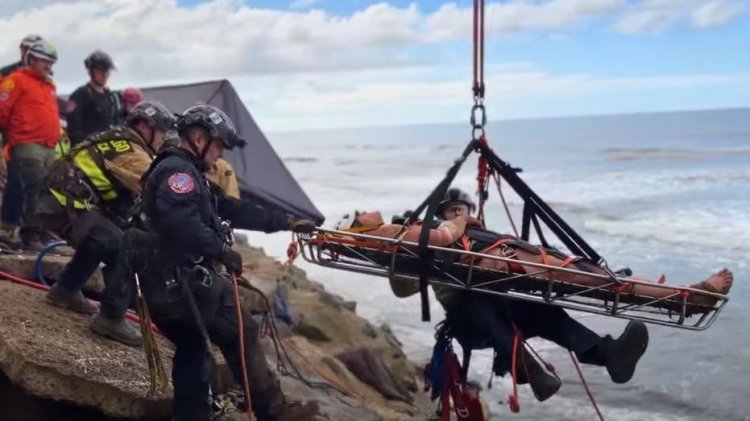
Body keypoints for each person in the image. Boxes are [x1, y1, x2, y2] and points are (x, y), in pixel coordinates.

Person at [335, 189, 733, 401]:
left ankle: (609, 356)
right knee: (478, 302)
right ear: (359, 227)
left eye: (461, 209)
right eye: (360, 213)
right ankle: (530, 369)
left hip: (494, 302)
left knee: (545, 312)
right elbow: (419, 267)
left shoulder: (440, 236)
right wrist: (439, 238)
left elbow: (449, 242)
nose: (368, 209)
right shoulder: (401, 235)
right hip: (469, 320)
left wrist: (465, 233)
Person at [135, 104, 317, 420]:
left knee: (193, 348)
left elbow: (235, 209)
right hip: (178, 284)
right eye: (218, 145)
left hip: (164, 284)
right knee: (242, 330)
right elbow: (180, 222)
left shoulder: (189, 173)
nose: (220, 154)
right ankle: (273, 412)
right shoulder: (178, 173)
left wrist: (287, 221)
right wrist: (221, 251)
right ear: (197, 137)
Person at [37, 101, 176, 347]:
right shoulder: (131, 151)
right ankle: (111, 317)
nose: (163, 139)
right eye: (162, 132)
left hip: (57, 201)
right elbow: (156, 189)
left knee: (107, 235)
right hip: (66, 203)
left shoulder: (117, 139)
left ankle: (66, 290)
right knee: (123, 243)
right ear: (145, 126)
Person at [0, 39, 60, 250]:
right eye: (45, 61)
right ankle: (30, 235)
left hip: (49, 145)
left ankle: (41, 232)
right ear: (31, 59)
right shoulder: (15, 80)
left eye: (51, 63)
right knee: (34, 187)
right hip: (26, 143)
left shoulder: (49, 86)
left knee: (49, 188)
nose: (49, 67)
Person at [65, 50, 121, 145]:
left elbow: (117, 124)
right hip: (87, 149)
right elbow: (73, 130)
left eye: (107, 71)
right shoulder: (80, 95)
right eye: (100, 70)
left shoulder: (111, 97)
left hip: (110, 149)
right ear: (90, 71)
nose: (104, 74)